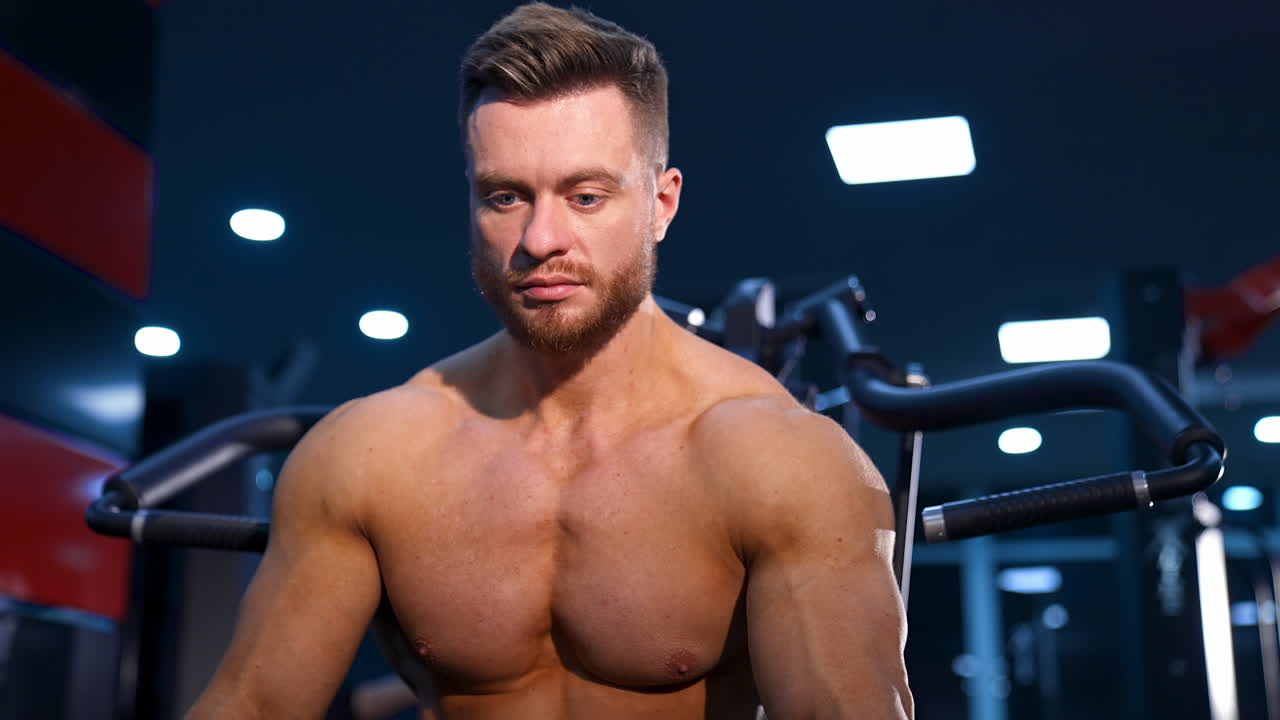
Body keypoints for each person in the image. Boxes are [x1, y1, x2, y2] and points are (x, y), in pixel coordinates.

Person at [187, 3, 913, 718]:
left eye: (586, 195)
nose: (540, 237)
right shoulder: (371, 454)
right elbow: (253, 704)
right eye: (505, 197)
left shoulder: (780, 459)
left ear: (661, 204)